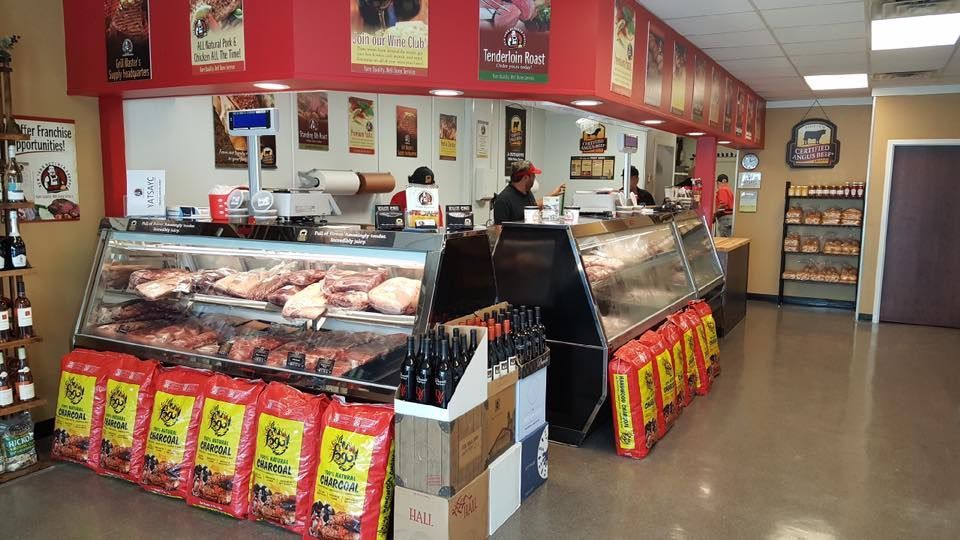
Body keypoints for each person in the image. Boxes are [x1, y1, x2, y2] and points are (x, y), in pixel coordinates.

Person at [493, 160, 565, 224]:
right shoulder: (503, 200)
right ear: (526, 177)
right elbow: (499, 232)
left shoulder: (527, 192)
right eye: (533, 175)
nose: (534, 178)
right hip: (516, 239)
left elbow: (533, 206)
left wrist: (553, 195)